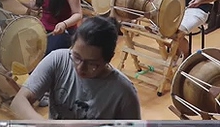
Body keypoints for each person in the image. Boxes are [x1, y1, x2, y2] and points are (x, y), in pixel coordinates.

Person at [10, 16, 141, 120]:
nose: (80, 68)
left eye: (92, 64)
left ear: (108, 59)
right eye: (76, 57)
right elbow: (18, 102)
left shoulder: (123, 92)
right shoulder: (58, 60)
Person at [18, 0, 83, 107]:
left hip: (63, 31)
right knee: (26, 51)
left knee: (45, 55)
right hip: (43, 28)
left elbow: (78, 14)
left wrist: (63, 24)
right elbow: (35, 5)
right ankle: (41, 87)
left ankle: (46, 90)